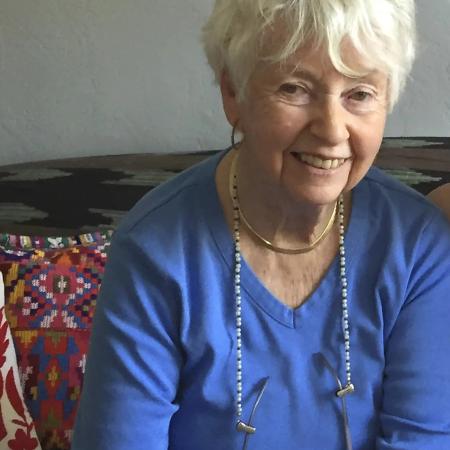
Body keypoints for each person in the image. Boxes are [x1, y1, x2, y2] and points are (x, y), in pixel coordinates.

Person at [71, 1, 450, 449]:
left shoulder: (418, 245)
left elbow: (422, 439)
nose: (332, 129)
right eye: (295, 89)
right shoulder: (155, 249)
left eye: (360, 94)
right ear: (234, 93)